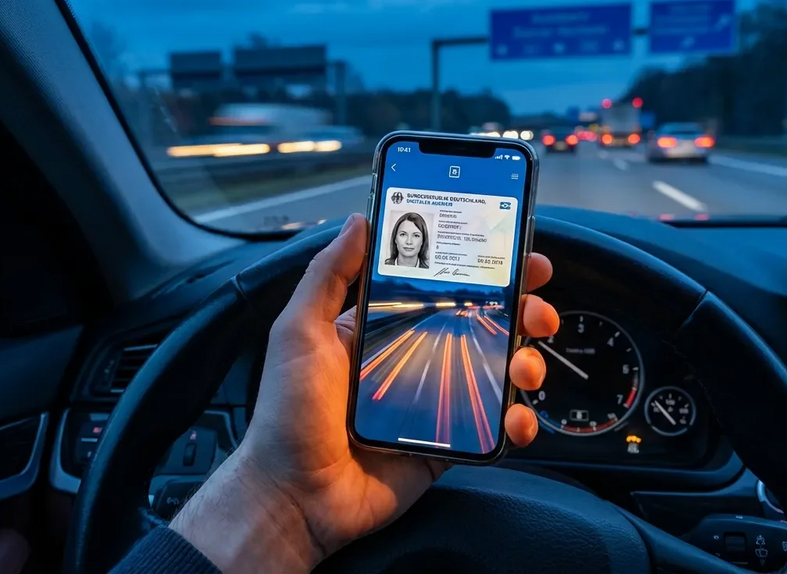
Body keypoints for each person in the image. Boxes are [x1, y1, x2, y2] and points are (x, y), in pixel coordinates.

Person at [111, 213, 559, 573]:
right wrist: (275, 491)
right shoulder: (395, 293)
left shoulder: (443, 291)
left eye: (411, 231)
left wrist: (273, 500)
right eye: (398, 229)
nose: (404, 237)